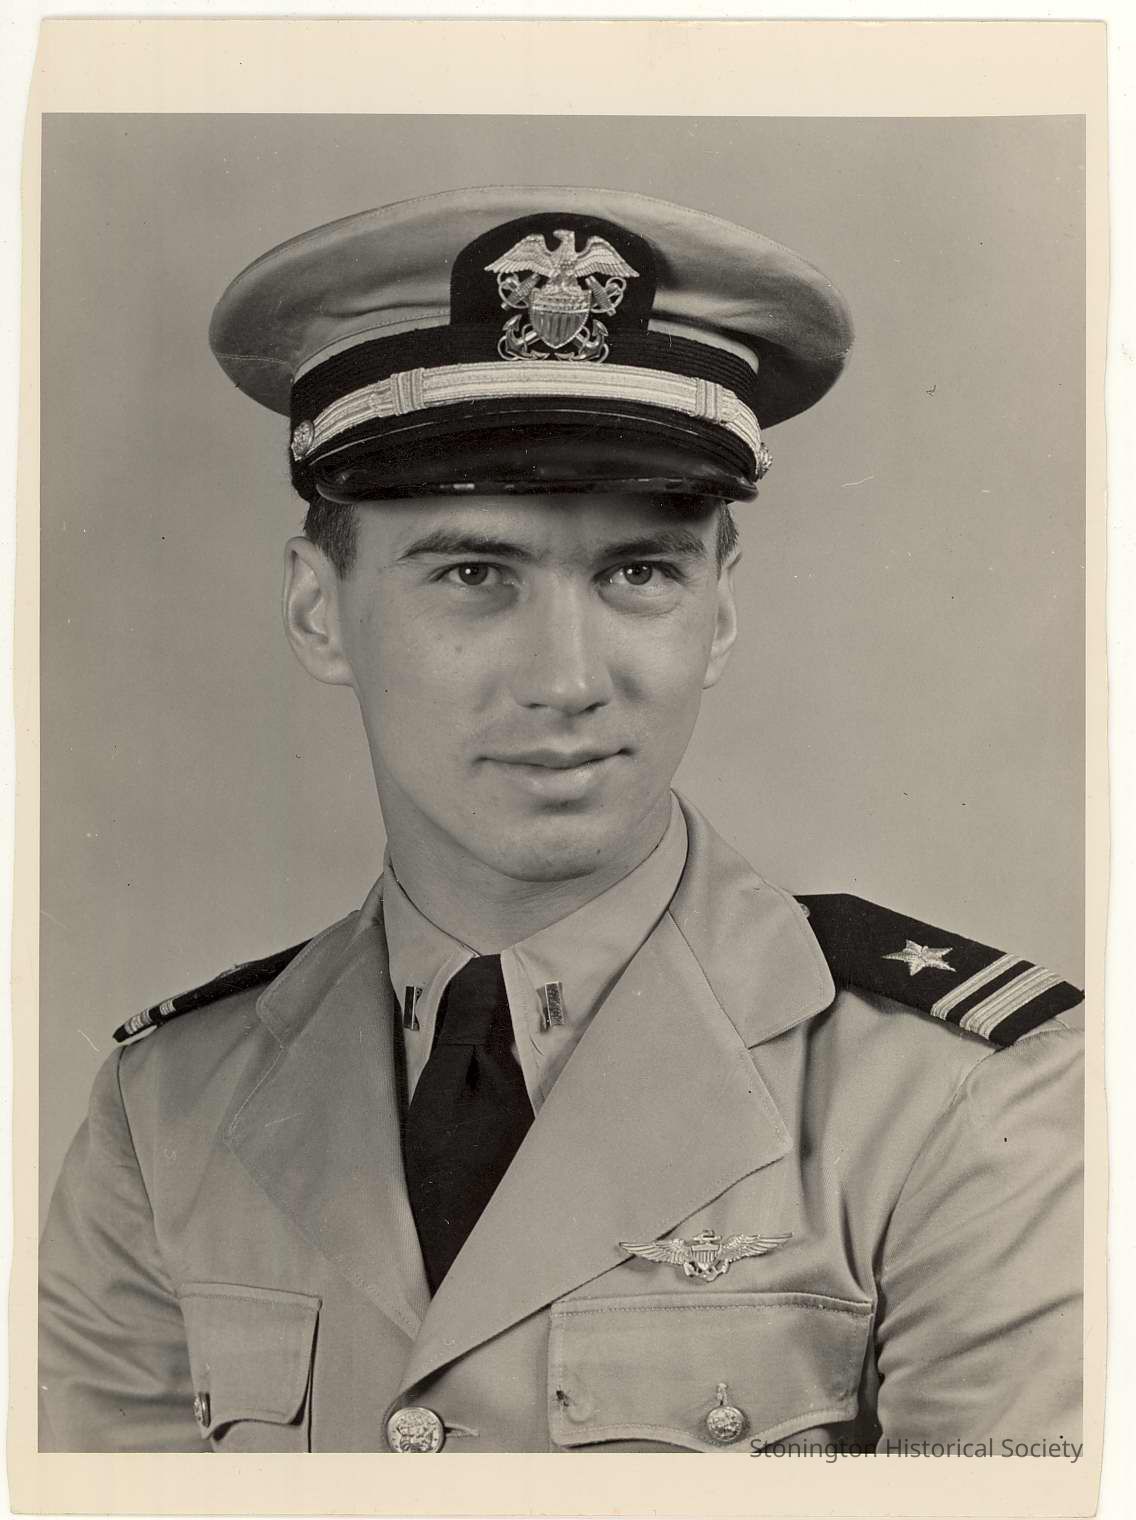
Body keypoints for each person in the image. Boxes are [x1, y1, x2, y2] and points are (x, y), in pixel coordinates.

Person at [38, 186, 1084, 1454]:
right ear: (318, 610)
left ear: (718, 609)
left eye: (637, 571)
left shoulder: (962, 1097)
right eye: (474, 573)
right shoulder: (166, 1114)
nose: (566, 676)